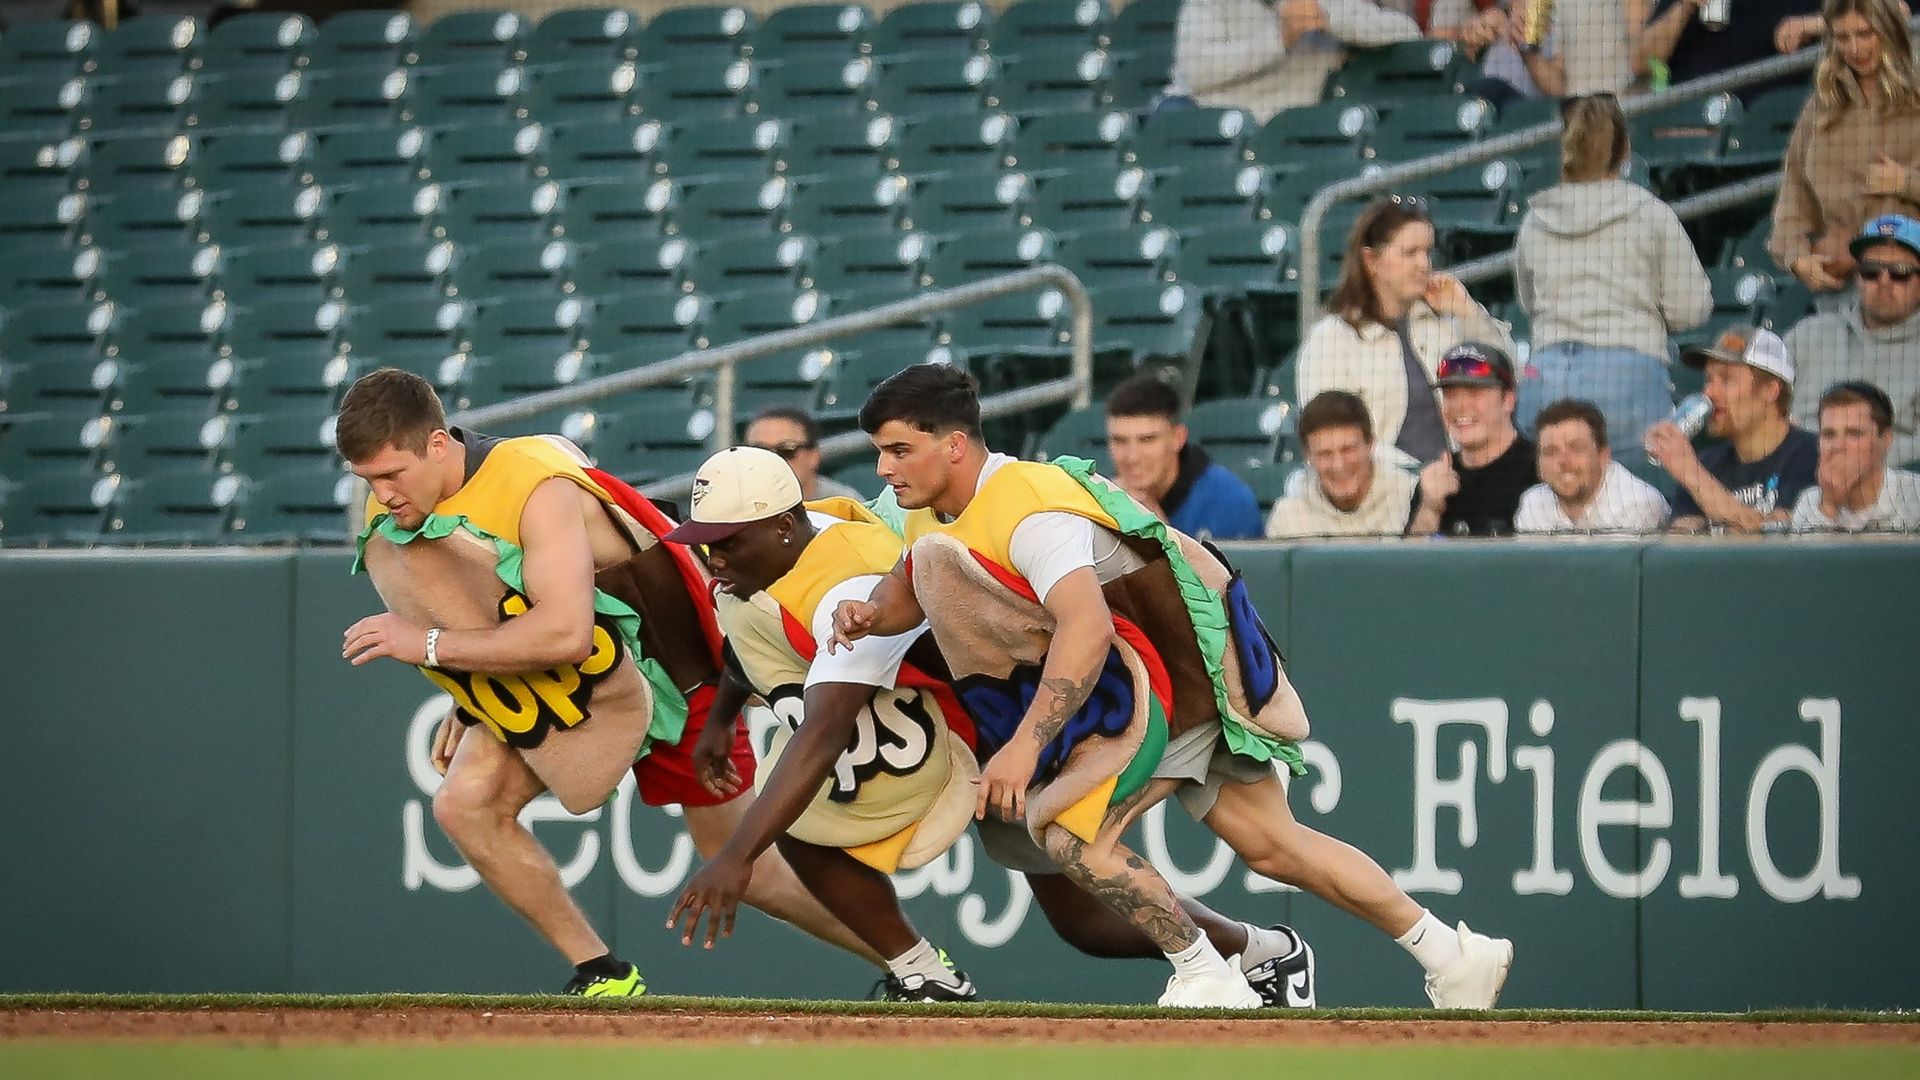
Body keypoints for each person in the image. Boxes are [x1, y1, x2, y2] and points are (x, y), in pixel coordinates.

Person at [837, 363, 1515, 1010]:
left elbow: (1086, 630)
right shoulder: (934, 510)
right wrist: (871, 613)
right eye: (881, 451)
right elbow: (911, 585)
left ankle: (1206, 974)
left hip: (1169, 682)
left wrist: (1021, 746)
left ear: (954, 445)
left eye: (898, 449)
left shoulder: (1030, 512)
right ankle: (1453, 955)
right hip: (1165, 676)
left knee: (1072, 834)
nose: (883, 467)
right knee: (1276, 844)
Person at [666, 448, 1317, 1006]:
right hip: (954, 722)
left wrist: (736, 857)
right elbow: (759, 642)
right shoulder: (802, 538)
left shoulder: (846, 587)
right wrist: (724, 715)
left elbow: (824, 729)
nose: (712, 558)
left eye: (726, 541)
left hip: (1012, 725)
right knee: (806, 828)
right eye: (703, 542)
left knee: (1085, 921)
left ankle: (1260, 951)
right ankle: (924, 974)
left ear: (782, 526)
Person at [335, 368, 879, 997]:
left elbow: (564, 630)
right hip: (571, 682)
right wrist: (472, 692)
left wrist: (429, 646)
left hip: (670, 668)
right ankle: (602, 973)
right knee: (465, 805)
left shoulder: (534, 485)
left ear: (436, 445)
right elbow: (491, 601)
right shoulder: (426, 492)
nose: (380, 495)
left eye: (390, 475)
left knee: (748, 871)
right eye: (367, 480)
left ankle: (910, 963)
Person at [1513, 92, 1712, 449]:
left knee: (1553, 500)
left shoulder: (1534, 219)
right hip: (1627, 375)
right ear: (1624, 151)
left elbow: (1527, 303)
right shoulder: (1651, 213)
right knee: (1638, 499)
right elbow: (1691, 309)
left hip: (1545, 379)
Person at [1297, 196, 1516, 471]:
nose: (1424, 264)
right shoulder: (1330, 340)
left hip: (1463, 479)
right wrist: (1416, 476)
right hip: (1384, 490)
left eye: (1428, 253)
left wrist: (1466, 311)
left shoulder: (1442, 323)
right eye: (1410, 253)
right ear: (1371, 260)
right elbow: (1330, 434)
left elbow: (1508, 377)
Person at [1769, 0, 1920, 304]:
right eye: (1842, 37)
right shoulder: (1821, 107)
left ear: (1888, 31)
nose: (1854, 48)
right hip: (1838, 290)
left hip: (1908, 279)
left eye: (1865, 34)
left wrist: (1905, 183)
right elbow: (1793, 195)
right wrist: (1797, 258)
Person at [1645, 327, 1819, 531]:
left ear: (1770, 390)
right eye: (1709, 380)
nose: (1709, 392)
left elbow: (1773, 538)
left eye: (1726, 380)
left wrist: (1693, 475)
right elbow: (1680, 543)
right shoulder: (1707, 463)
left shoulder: (1812, 455)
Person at [1787, 214, 1920, 465]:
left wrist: (1848, 458)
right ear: (1857, 277)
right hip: (1792, 484)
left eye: (1900, 273)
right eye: (1870, 271)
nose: (1884, 282)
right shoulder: (1808, 335)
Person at [1164, 0, 1421, 120]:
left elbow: (1408, 32)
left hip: (1288, 124)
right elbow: (1197, 71)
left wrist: (1324, 17)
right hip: (1207, 113)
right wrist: (1278, 40)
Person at [1104, 374, 1263, 540]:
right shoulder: (1099, 502)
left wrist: (1162, 536)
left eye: (1147, 440)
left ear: (1178, 438)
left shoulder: (1229, 501)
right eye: (1120, 441)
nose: (1132, 457)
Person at [1407, 343, 1539, 537]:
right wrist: (1430, 509)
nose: (1460, 407)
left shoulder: (1540, 469)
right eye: (1450, 395)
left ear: (1508, 400)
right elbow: (1411, 565)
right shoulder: (1436, 479)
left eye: (1474, 393)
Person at [1265, 390, 1419, 538]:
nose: (1338, 465)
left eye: (1348, 450)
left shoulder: (1411, 500)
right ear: (1307, 456)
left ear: (1371, 444)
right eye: (1324, 454)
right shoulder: (1289, 519)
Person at [1515, 399, 1672, 533]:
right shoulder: (1533, 503)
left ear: (1604, 456)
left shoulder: (1638, 505)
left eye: (1576, 448)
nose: (1564, 461)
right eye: (1551, 452)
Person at [1792, 380, 1920, 530]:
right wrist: (1829, 506)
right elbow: (1811, 554)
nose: (1838, 447)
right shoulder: (1809, 502)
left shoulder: (1915, 496)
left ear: (1885, 439)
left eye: (1854, 433)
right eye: (1829, 434)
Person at [1629, 0, 1820, 98]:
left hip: (1772, 120)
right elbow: (1642, 61)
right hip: (1697, 119)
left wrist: (1812, 24)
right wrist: (1684, 6)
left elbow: (1844, 19)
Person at [745, 406, 864, 501]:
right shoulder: (731, 506)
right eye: (759, 452)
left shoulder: (844, 506)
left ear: (813, 457)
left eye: (786, 451)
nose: (772, 461)